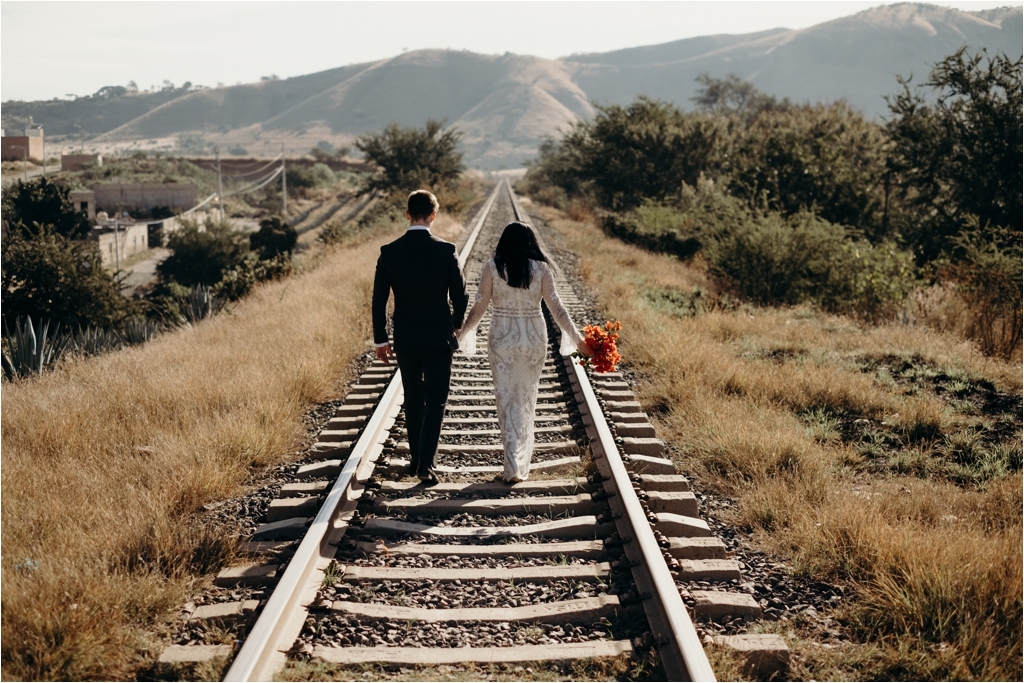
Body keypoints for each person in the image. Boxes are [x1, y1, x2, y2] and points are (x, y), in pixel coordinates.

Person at [457, 221, 591, 483]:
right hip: (533, 339)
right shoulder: (541, 268)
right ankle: (518, 464)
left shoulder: (492, 267)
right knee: (526, 398)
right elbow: (557, 308)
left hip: (502, 340)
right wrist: (578, 338)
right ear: (531, 242)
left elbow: (480, 305)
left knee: (505, 400)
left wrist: (461, 334)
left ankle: (512, 466)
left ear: (504, 242)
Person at [372, 190, 468, 485]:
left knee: (413, 397)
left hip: (406, 337)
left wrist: (381, 339)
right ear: (433, 215)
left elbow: (378, 300)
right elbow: (461, 296)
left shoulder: (389, 251)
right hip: (439, 337)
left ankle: (415, 461)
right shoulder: (446, 250)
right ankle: (426, 463)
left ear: (407, 215)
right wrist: (454, 325)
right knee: (436, 399)